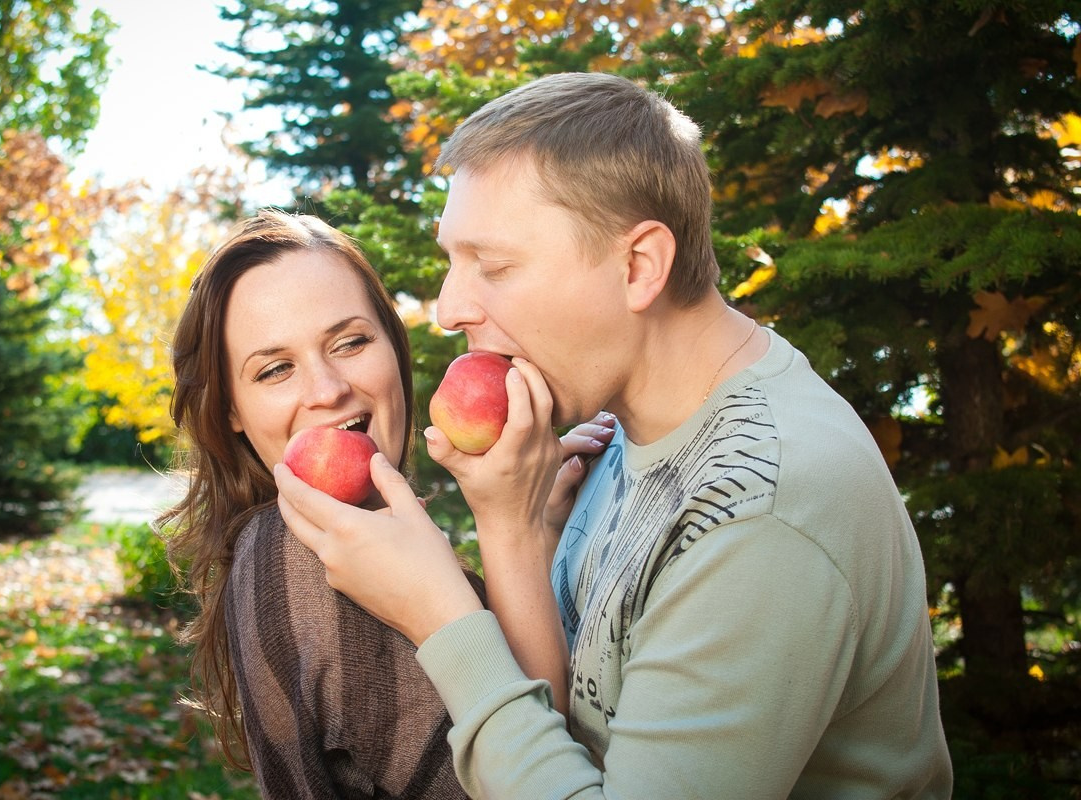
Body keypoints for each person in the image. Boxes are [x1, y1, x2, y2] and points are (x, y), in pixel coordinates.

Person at [274, 72, 955, 798]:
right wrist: (520, 530)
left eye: (494, 266)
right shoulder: (624, 430)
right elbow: (571, 733)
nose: (446, 309)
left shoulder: (762, 510)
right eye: (452, 260)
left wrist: (439, 614)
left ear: (639, 267)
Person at [160, 209, 609, 799]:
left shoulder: (360, 544)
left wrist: (538, 529)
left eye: (350, 342)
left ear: (392, 349)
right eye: (274, 369)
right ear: (232, 413)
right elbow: (533, 765)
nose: (328, 389)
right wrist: (510, 527)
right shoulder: (308, 562)